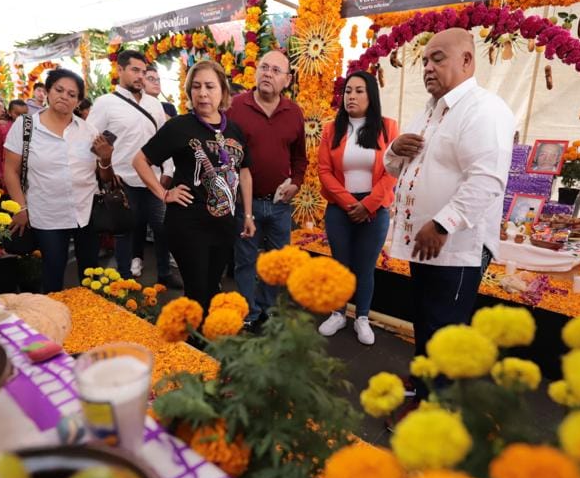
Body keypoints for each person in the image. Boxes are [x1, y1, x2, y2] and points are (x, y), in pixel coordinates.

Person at [384, 28, 515, 358]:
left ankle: (437, 389)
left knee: (445, 330)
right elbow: (397, 168)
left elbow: (487, 179)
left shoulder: (484, 109)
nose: (428, 67)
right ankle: (424, 381)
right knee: (425, 320)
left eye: (438, 59)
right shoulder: (427, 111)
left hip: (455, 245)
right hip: (426, 241)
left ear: (467, 60)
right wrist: (394, 150)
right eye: (425, 61)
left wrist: (443, 224)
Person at [133, 60, 255, 310]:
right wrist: (164, 194)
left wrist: (248, 215)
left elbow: (244, 172)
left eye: (210, 86)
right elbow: (140, 160)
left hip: (224, 225)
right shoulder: (179, 127)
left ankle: (205, 331)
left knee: (212, 289)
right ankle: (195, 333)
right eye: (196, 86)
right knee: (197, 292)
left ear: (222, 90)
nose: (202, 93)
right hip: (188, 226)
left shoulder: (234, 130)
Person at [2, 69, 115, 293]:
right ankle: (53, 312)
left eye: (72, 94)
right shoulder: (26, 126)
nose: (64, 97)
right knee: (53, 272)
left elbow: (105, 177)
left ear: (79, 101)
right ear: (48, 91)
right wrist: (21, 207)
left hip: (86, 212)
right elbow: (10, 170)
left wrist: (105, 158)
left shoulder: (88, 130)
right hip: (47, 214)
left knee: (91, 273)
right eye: (59, 90)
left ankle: (92, 312)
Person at [317, 71, 399, 345]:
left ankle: (362, 317)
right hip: (340, 208)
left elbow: (393, 170)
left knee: (365, 267)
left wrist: (368, 205)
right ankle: (338, 313)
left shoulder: (388, 127)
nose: (351, 96)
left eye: (359, 91)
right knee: (340, 264)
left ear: (371, 95)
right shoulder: (332, 129)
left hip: (375, 209)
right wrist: (352, 204)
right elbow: (324, 171)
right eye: (348, 91)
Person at [88, 50, 181, 289]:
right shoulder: (105, 103)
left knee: (163, 229)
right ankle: (124, 280)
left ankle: (164, 273)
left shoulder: (154, 104)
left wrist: (168, 170)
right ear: (120, 70)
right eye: (135, 70)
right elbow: (91, 142)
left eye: (143, 71)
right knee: (124, 232)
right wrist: (105, 172)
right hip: (122, 182)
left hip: (153, 180)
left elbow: (164, 140)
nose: (140, 76)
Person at [227, 50, 307, 326]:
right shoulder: (236, 107)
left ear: (287, 80)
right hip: (244, 204)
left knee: (277, 262)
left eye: (275, 70)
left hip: (280, 204)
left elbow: (299, 158)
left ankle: (267, 308)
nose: (267, 74)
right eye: (264, 67)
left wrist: (296, 183)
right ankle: (249, 313)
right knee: (245, 260)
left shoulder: (293, 112)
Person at [0, 99, 28, 183]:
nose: (21, 117)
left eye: (24, 114)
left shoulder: (30, 127)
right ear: (9, 112)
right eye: (17, 114)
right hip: (8, 168)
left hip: (27, 170)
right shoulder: (2, 127)